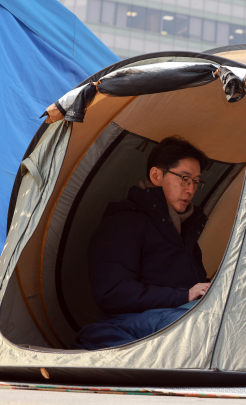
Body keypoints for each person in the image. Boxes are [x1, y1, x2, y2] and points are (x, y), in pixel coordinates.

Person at [73, 136, 211, 350]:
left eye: (196, 182)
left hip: (176, 312)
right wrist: (184, 295)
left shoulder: (185, 227)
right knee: (204, 322)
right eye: (184, 178)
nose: (191, 189)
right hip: (129, 320)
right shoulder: (124, 221)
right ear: (156, 175)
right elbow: (112, 292)